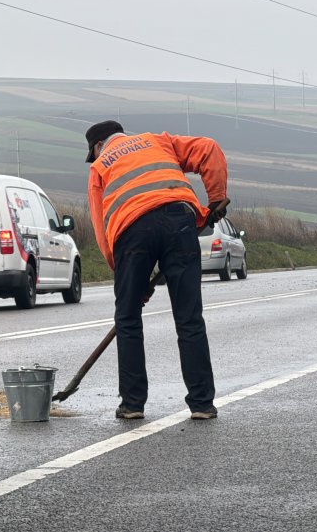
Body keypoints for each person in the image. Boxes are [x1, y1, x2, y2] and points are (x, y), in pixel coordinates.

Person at [85, 120, 228, 420]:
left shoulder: (99, 166)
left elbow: (102, 229)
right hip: (179, 219)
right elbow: (208, 148)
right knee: (189, 317)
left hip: (131, 230)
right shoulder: (157, 140)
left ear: (98, 147)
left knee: (128, 319)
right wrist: (215, 198)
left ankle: (133, 404)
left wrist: (129, 283)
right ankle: (202, 404)